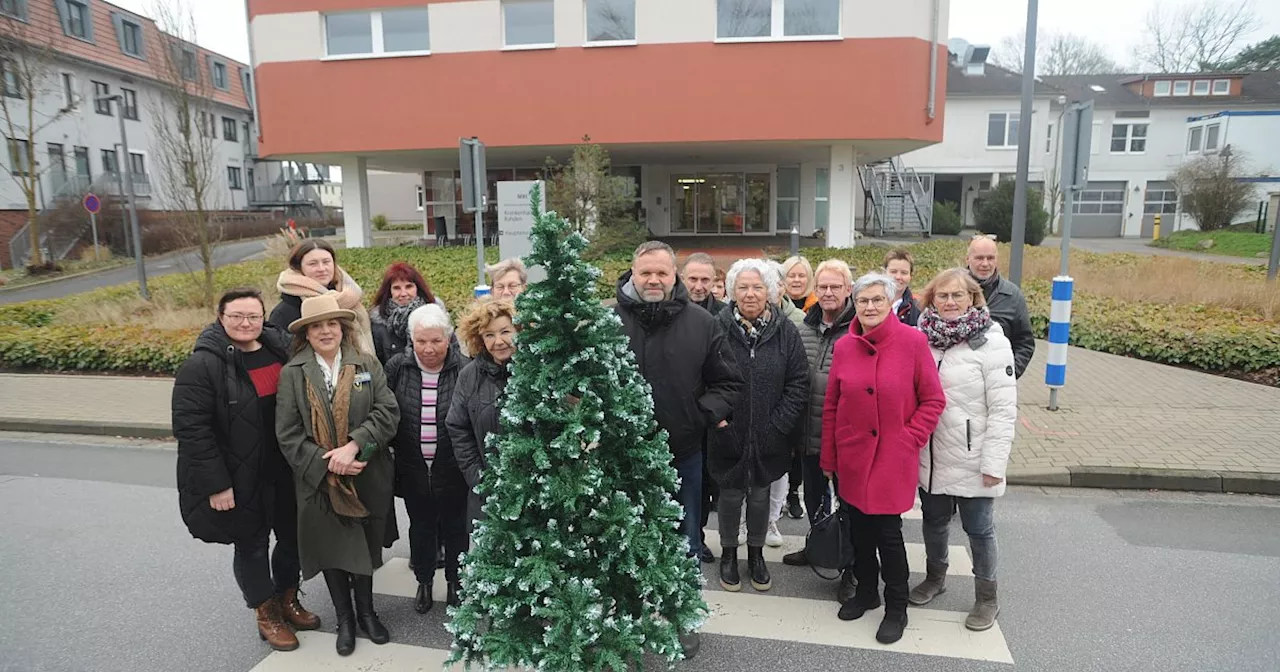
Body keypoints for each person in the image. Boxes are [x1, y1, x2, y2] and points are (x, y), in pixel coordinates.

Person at [614, 241, 745, 659]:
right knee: (623, 540)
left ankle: (681, 614)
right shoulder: (605, 321)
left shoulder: (702, 324)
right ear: (632, 274)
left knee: (685, 539)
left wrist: (697, 413)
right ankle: (628, 618)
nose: (653, 280)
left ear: (674, 276)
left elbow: (729, 383)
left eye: (662, 273)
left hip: (681, 453)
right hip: (622, 457)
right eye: (645, 273)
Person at [173, 288, 319, 652]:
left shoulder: (279, 349)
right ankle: (265, 611)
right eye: (236, 316)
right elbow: (192, 430)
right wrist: (217, 485)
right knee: (252, 544)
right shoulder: (203, 365)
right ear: (220, 317)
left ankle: (287, 597)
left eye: (253, 316)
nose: (245, 323)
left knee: (292, 538)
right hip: (239, 475)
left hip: (285, 468)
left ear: (263, 317)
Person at [821, 272, 944, 645]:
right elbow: (832, 405)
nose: (870, 307)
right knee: (858, 531)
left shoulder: (912, 341)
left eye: (877, 300)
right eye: (863, 301)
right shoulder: (844, 346)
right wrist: (829, 455)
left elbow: (933, 399)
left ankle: (896, 606)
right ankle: (866, 592)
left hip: (892, 458)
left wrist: (909, 438)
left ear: (891, 302)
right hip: (853, 456)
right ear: (853, 304)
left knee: (888, 536)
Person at [275, 294, 399, 657]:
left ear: (343, 327)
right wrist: (328, 463)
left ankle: (366, 613)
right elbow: (288, 433)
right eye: (317, 326)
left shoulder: (367, 363)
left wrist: (355, 446)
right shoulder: (293, 373)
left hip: (365, 472)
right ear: (306, 333)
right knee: (331, 551)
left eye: (332, 324)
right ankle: (344, 620)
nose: (326, 331)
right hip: (319, 481)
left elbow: (387, 412)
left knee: (363, 547)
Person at [909, 268, 1017, 633]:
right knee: (934, 522)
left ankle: (987, 598)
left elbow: (1003, 411)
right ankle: (935, 578)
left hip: (974, 456)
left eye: (958, 295)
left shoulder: (993, 342)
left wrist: (994, 463)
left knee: (980, 530)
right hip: (931, 454)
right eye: (943, 296)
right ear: (931, 300)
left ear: (973, 298)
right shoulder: (919, 339)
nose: (951, 302)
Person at [709, 259, 808, 594]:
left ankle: (755, 555)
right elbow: (702, 378)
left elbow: (797, 383)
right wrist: (719, 419)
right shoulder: (716, 327)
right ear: (732, 292)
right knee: (730, 493)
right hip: (727, 430)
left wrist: (778, 425)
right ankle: (728, 554)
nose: (750, 294)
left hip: (770, 434)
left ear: (769, 291)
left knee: (760, 494)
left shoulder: (786, 331)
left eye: (757, 287)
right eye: (743, 287)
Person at [781, 260, 859, 601]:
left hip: (846, 436)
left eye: (835, 287)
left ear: (848, 290)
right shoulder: (804, 328)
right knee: (815, 497)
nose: (828, 293)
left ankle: (851, 568)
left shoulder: (859, 327)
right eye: (823, 287)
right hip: (808, 433)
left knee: (850, 503)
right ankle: (820, 547)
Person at [385, 304, 470, 614]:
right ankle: (423, 581)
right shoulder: (397, 367)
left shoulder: (465, 368)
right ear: (411, 339)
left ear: (449, 338)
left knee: (455, 528)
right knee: (420, 528)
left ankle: (454, 583)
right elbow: (385, 413)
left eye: (436, 340)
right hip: (413, 468)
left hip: (453, 468)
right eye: (421, 341)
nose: (428, 348)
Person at [446, 299, 519, 532]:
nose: (498, 341)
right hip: (488, 496)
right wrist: (480, 478)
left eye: (505, 331)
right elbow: (458, 427)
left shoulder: (537, 369)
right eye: (489, 335)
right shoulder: (469, 376)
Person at [680, 252, 726, 563]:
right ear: (682, 278)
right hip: (679, 418)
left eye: (705, 280)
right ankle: (685, 536)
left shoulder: (723, 316)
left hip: (709, 417)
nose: (698, 286)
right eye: (693, 279)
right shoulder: (669, 312)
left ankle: (698, 534)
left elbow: (727, 370)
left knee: (708, 484)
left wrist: (715, 410)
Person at [269, 240, 374, 356]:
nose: (321, 268)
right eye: (313, 264)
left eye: (326, 262)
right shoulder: (284, 311)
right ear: (298, 268)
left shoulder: (348, 297)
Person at [966, 237, 1035, 378]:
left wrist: (1010, 373)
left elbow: (1025, 342)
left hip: (998, 384)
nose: (985, 264)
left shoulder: (1012, 296)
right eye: (979, 258)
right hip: (960, 383)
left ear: (996, 260)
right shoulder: (952, 291)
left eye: (990, 258)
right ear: (968, 259)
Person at [369, 262, 446, 365]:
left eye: (409, 287)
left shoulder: (437, 316)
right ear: (389, 291)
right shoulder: (379, 326)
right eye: (397, 288)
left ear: (418, 288)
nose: (403, 294)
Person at [885, 249, 921, 327]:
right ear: (884, 273)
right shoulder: (870, 303)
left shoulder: (918, 309)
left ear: (910, 276)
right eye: (893, 272)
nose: (898, 277)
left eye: (904, 273)